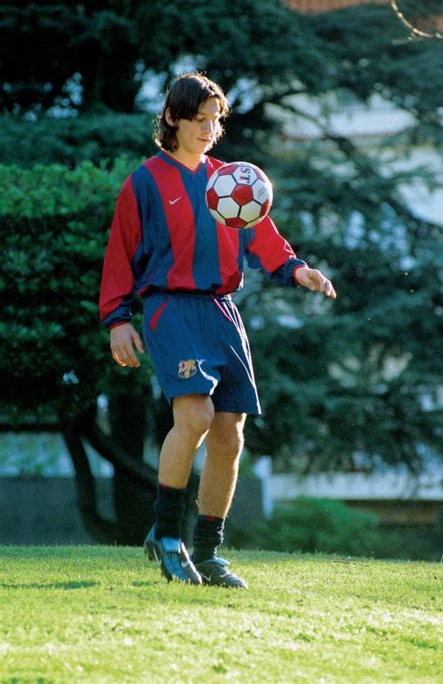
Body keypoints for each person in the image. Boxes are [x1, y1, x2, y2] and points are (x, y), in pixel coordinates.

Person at [99, 72, 336, 589]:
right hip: (170, 309)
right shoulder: (146, 181)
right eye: (200, 119)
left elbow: (265, 239)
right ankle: (166, 538)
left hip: (222, 310)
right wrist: (117, 319)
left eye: (216, 120)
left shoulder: (233, 180)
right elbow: (119, 255)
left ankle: (207, 552)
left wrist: (299, 270)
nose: (210, 129)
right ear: (173, 119)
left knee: (230, 433)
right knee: (196, 415)